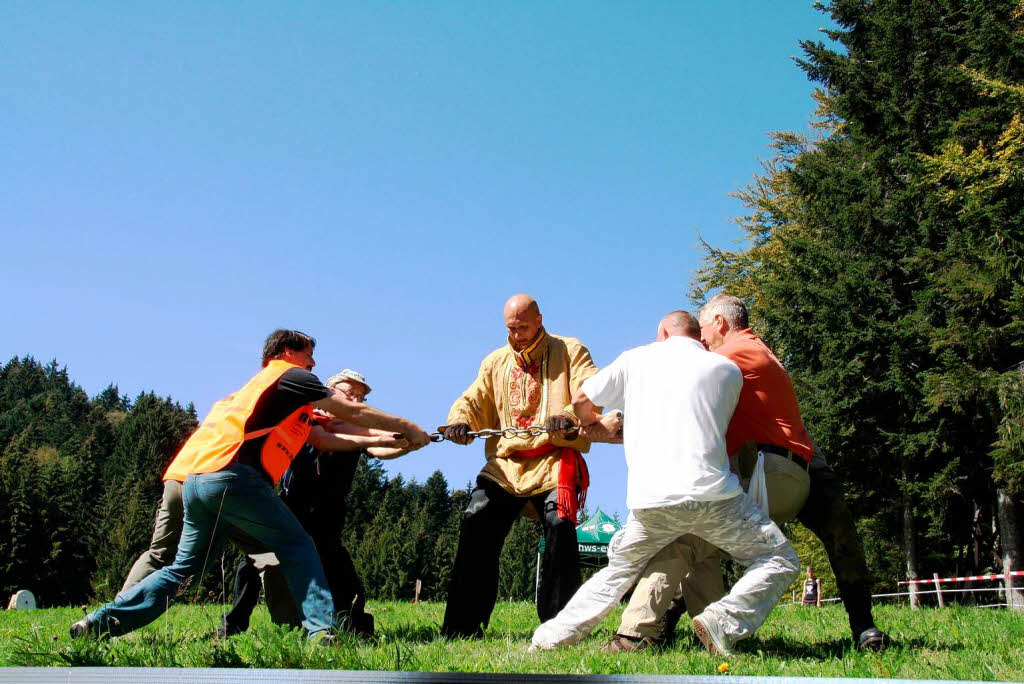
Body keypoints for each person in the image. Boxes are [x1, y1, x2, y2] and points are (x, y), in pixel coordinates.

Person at [71, 330, 430, 641]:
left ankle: (100, 623)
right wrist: (408, 426)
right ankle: (321, 633)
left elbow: (331, 436)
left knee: (181, 570)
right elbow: (352, 416)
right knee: (298, 545)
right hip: (234, 477)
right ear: (287, 352)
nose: (314, 363)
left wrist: (394, 437)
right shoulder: (291, 377)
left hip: (195, 479)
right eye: (309, 355)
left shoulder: (269, 394)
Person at [609, 294, 889, 652]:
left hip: (769, 466)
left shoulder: (732, 353)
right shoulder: (758, 351)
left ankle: (643, 632)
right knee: (840, 539)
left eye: (704, 328)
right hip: (796, 459)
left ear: (721, 323)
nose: (700, 338)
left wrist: (605, 421)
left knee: (686, 537)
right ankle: (864, 628)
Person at [530, 311, 800, 655]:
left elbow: (583, 400)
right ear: (699, 338)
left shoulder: (636, 358)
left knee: (615, 575)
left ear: (662, 333)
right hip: (715, 499)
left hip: (651, 502)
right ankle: (722, 618)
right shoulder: (727, 370)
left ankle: (549, 638)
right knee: (780, 559)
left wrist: (595, 422)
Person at [440, 294, 598, 638]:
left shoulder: (569, 350)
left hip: (552, 460)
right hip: (506, 464)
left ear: (539, 319)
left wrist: (568, 416)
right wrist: (460, 420)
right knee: (475, 522)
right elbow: (474, 397)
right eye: (511, 328)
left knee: (560, 524)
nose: (517, 334)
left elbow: (590, 388)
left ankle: (560, 627)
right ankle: (462, 627)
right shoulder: (495, 361)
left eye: (523, 327)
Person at [220, 369, 410, 637]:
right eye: (349, 393)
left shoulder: (359, 431)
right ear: (330, 392)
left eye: (361, 397)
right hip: (292, 504)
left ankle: (356, 627)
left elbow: (379, 449)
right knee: (254, 563)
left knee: (338, 567)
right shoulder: (306, 417)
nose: (356, 400)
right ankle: (233, 625)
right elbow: (327, 439)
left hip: (329, 511)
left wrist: (407, 444)